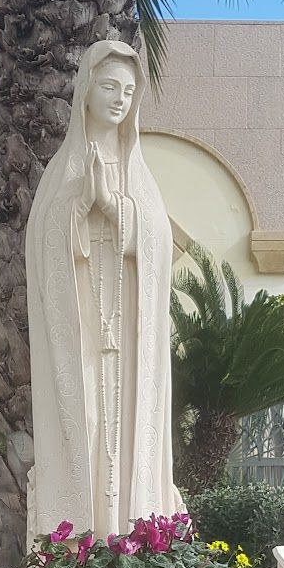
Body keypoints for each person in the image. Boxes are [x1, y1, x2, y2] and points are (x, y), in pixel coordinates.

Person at [26, 39, 181, 541]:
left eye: (130, 90)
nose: (120, 99)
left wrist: (117, 211)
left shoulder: (140, 172)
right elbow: (43, 246)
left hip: (130, 328)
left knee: (129, 422)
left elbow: (161, 243)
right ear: (86, 91)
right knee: (87, 419)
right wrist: (80, 205)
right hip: (83, 322)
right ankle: (79, 536)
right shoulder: (63, 171)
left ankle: (136, 534)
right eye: (110, 86)